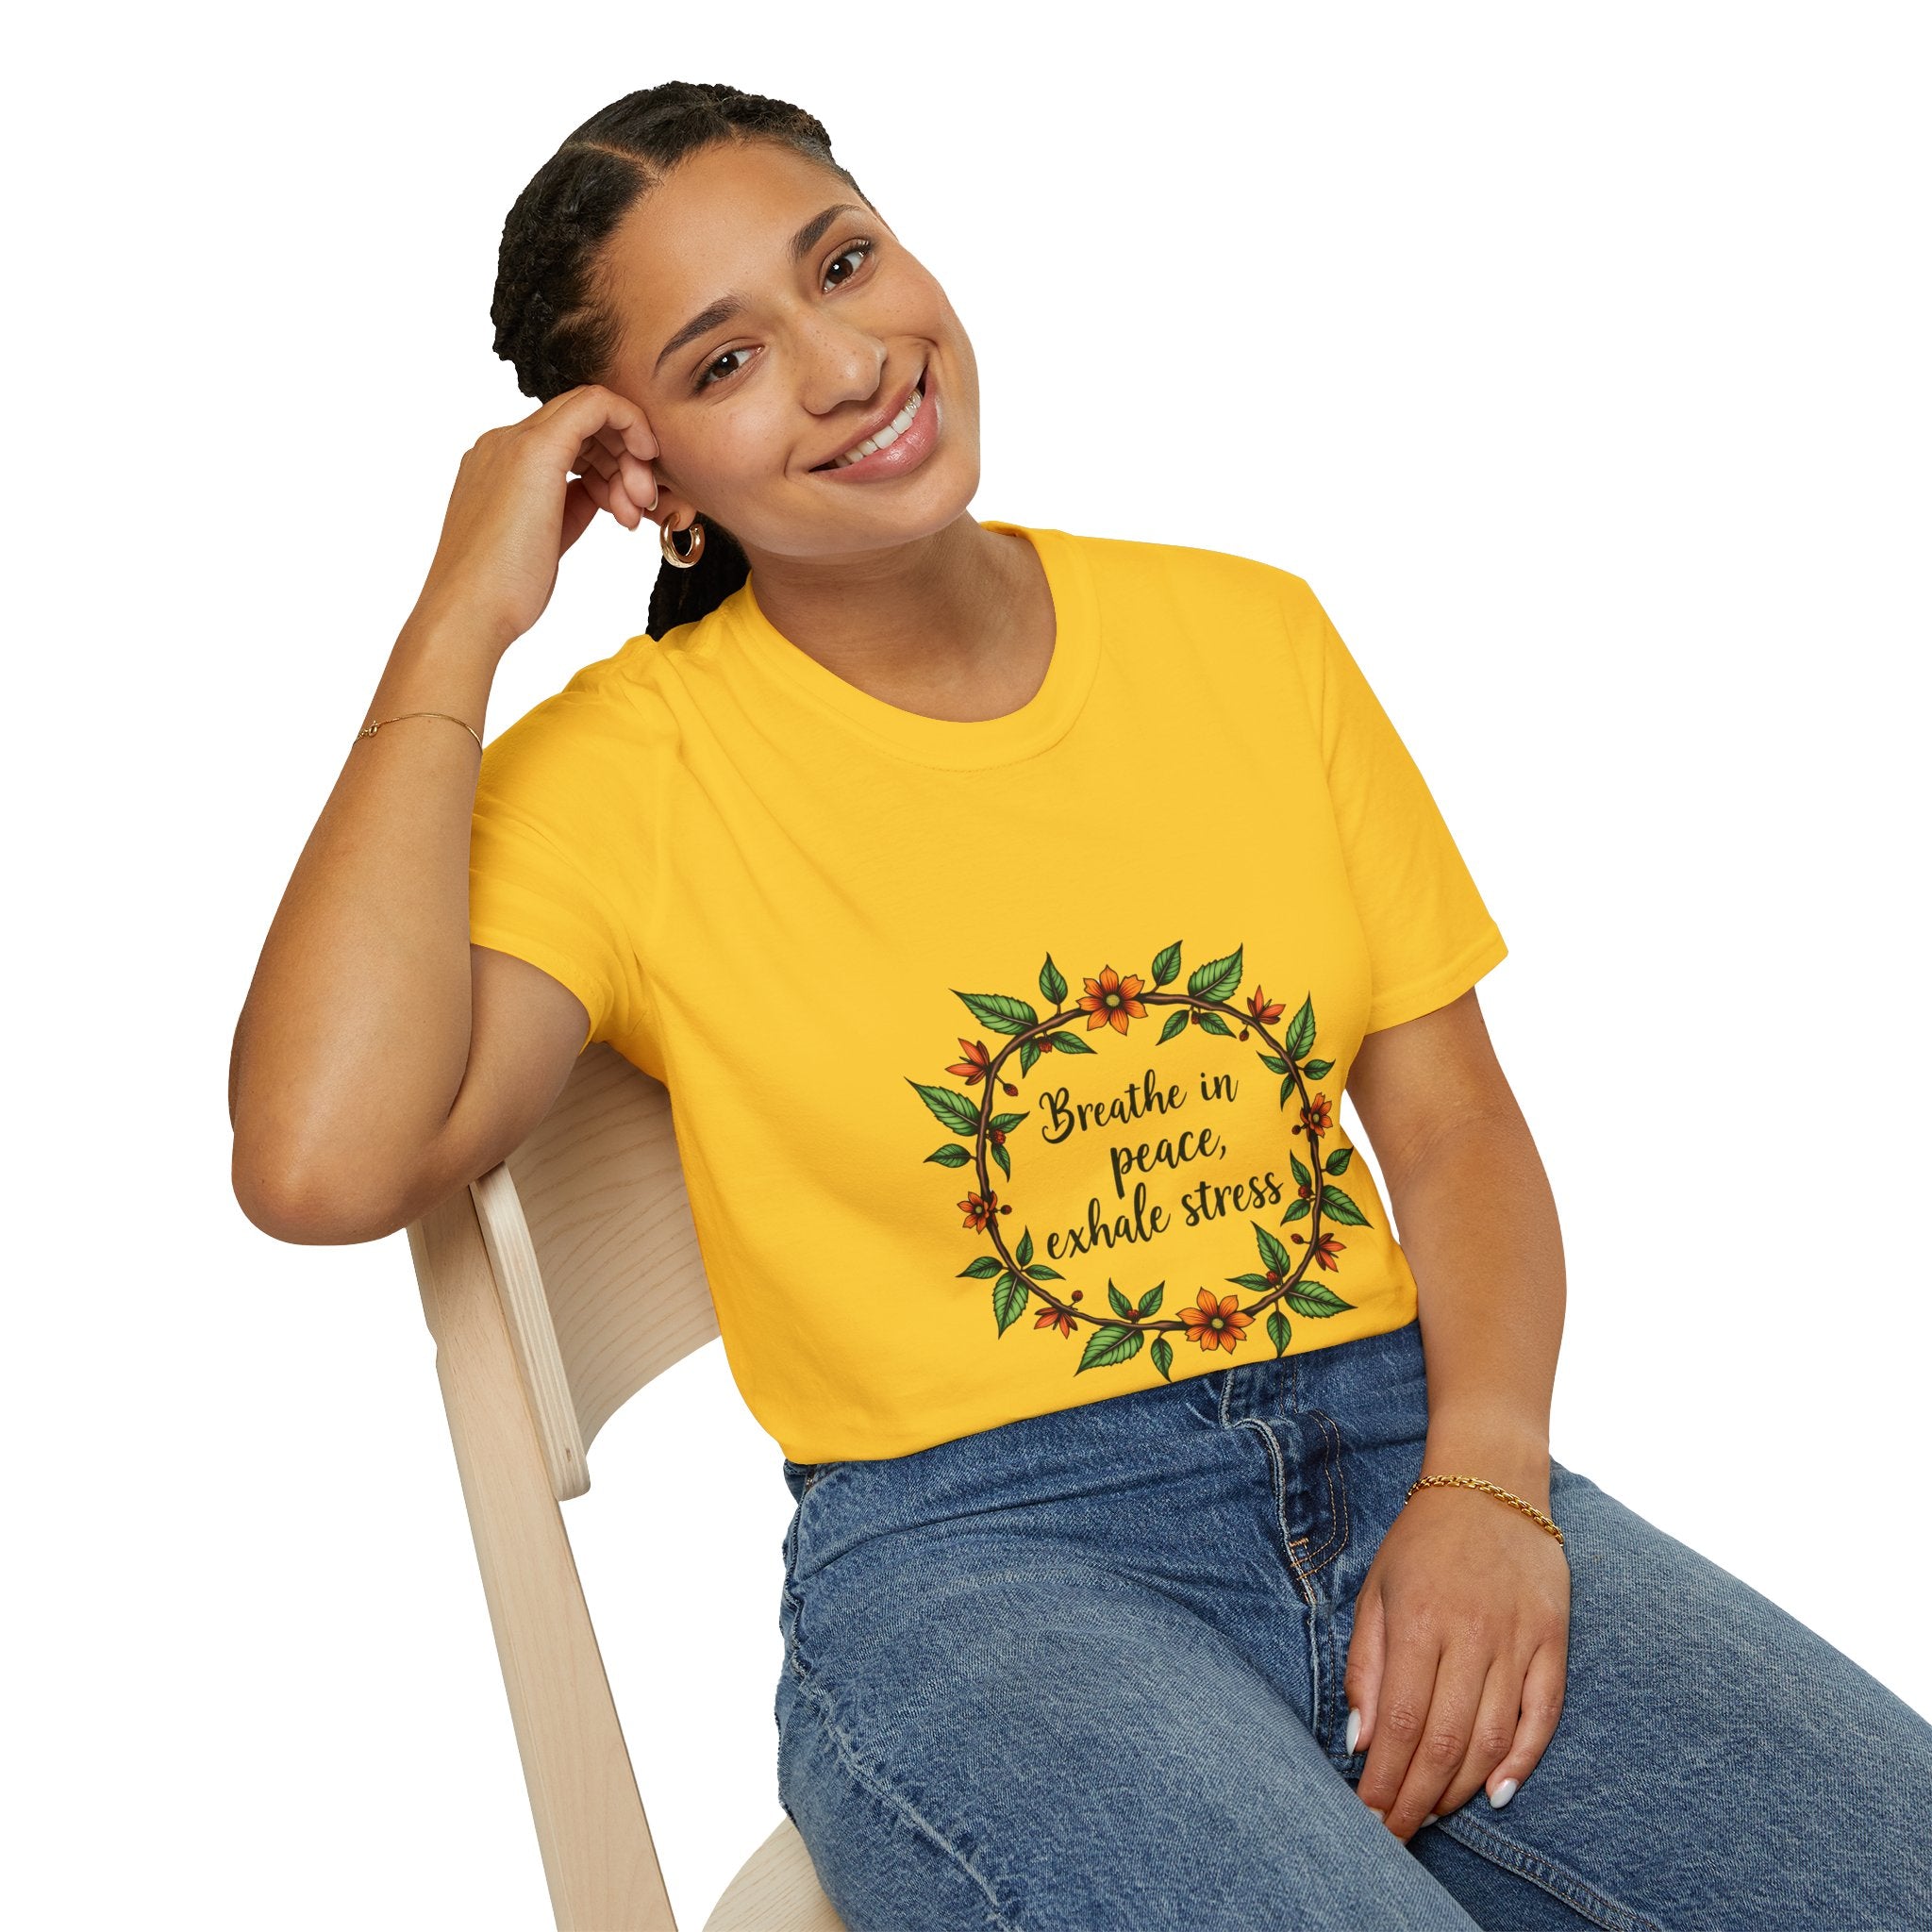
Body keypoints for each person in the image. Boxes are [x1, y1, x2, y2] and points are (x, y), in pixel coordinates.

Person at [228, 80, 1932, 1932]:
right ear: (647, 479)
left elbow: (1448, 1129)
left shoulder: (1248, 635)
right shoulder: (624, 775)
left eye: (845, 263)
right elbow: (320, 1159)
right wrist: (456, 618)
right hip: (984, 1565)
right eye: (725, 363)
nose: (846, 361)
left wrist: (1490, 1486)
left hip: (1401, 1448)